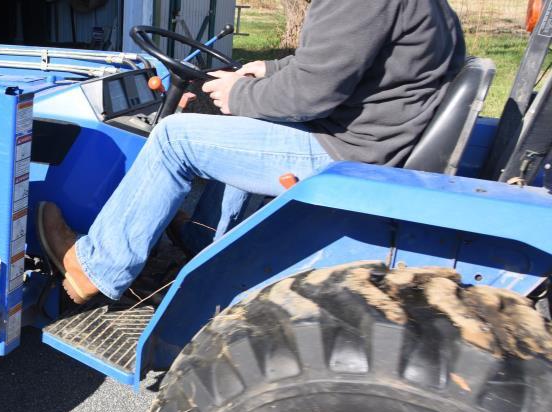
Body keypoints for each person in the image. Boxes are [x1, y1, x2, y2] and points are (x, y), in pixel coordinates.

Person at [38, 0, 467, 304]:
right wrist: (267, 69)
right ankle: (207, 240)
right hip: (374, 135)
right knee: (246, 122)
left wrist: (240, 94)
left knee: (173, 137)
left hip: (349, 152)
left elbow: (310, 94)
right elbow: (345, 61)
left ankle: (96, 268)